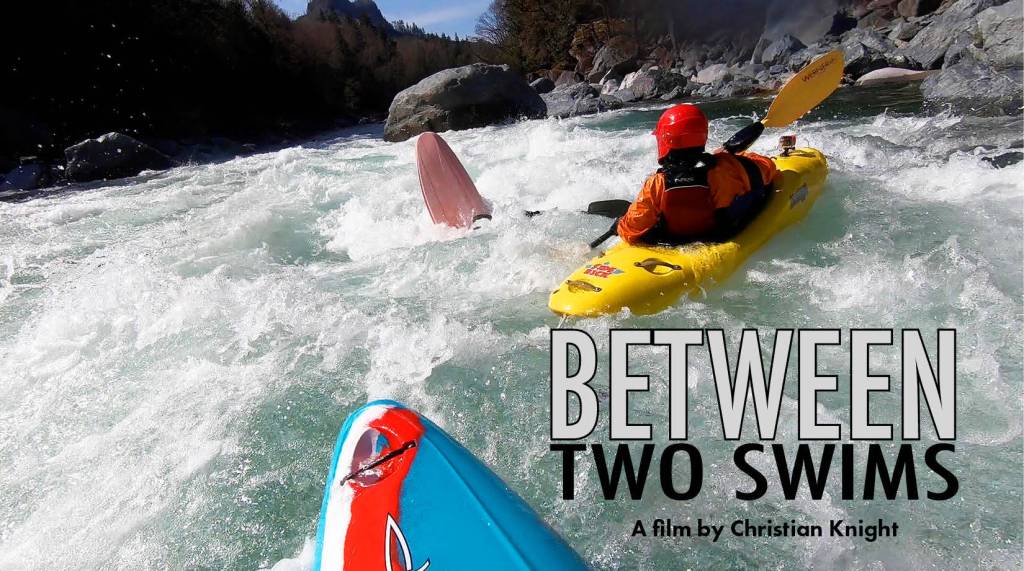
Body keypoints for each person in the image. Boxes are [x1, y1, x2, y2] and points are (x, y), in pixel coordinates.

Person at [616, 104, 778, 245]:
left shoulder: (656, 184)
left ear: (666, 140)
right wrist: (732, 157)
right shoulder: (727, 168)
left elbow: (631, 229)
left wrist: (620, 224)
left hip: (672, 243)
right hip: (720, 236)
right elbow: (768, 168)